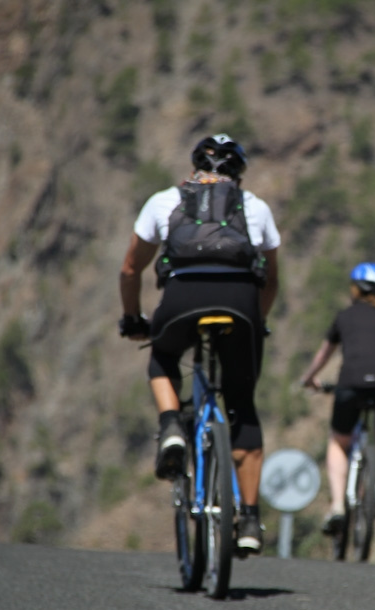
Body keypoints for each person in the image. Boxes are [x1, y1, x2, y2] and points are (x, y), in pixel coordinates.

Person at [118, 133, 280, 555]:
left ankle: (172, 424)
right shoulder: (255, 206)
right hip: (240, 304)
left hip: (181, 300)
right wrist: (257, 321)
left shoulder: (163, 201)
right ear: (238, 174)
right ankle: (248, 520)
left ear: (194, 167)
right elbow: (271, 279)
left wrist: (133, 318)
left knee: (163, 356)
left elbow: (131, 268)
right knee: (241, 403)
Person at [299, 262, 375, 534]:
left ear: (356, 289)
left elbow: (324, 355)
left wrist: (309, 378)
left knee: (339, 440)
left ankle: (338, 505)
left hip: (351, 385)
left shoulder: (344, 317)